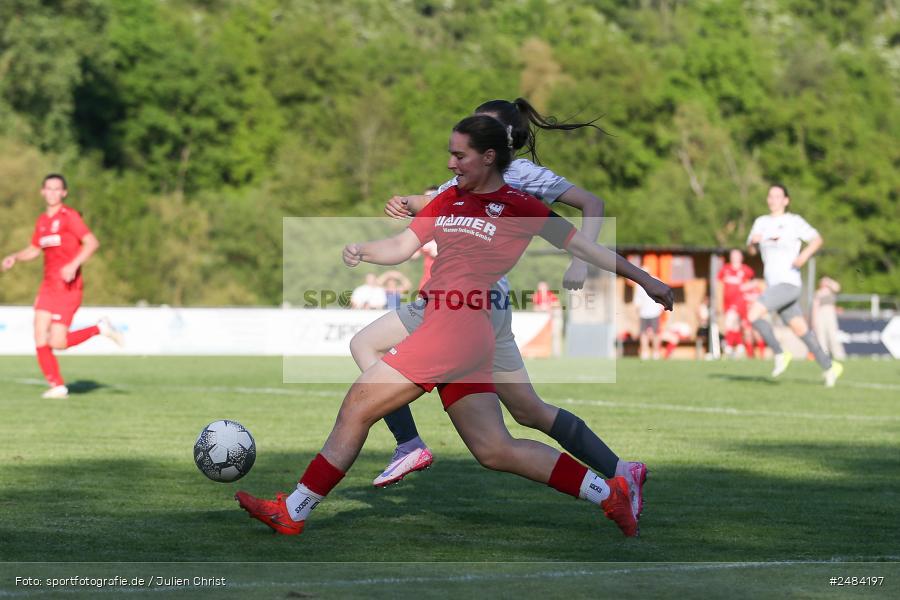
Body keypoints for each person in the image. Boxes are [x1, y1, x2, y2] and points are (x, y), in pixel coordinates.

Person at [235, 115, 673, 539]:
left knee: (357, 407)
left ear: (488, 157)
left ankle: (294, 511)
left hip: (455, 330)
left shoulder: (522, 207)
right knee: (495, 449)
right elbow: (402, 245)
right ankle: (610, 495)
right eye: (450, 154)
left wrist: (646, 280)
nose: (450, 163)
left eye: (459, 155)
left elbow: (589, 249)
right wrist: (363, 249)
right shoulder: (448, 199)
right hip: (456, 330)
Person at [351, 99, 645, 515]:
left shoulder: (520, 173)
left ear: (501, 137)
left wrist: (580, 260)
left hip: (469, 303)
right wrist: (406, 202)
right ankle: (621, 471)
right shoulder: (473, 170)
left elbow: (591, 202)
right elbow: (437, 200)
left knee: (366, 344)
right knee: (528, 410)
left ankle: (409, 444)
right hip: (490, 303)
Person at [1, 174, 123, 399]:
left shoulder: (70, 217)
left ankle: (99, 328)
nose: (52, 192)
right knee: (39, 335)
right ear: (42, 192)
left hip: (68, 287)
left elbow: (91, 243)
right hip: (48, 286)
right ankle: (57, 386)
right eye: (49, 188)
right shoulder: (42, 221)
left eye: (57, 189)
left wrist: (73, 265)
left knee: (57, 342)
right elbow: (34, 249)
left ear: (64, 193)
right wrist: (15, 257)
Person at [747, 184, 843, 387]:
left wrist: (803, 257)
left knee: (753, 314)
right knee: (801, 329)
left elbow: (817, 239)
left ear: (786, 200)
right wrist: (753, 243)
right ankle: (829, 366)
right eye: (770, 196)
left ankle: (780, 353)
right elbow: (752, 252)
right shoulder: (761, 222)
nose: (773, 199)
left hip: (789, 283)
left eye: (777, 196)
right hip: (774, 285)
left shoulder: (793, 221)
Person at [717, 249, 755, 358]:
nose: (735, 257)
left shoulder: (746, 270)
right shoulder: (725, 269)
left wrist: (746, 288)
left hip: (740, 302)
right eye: (733, 255)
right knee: (735, 326)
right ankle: (739, 347)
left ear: (741, 257)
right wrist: (718, 302)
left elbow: (754, 282)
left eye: (737, 255)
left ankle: (729, 348)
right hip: (727, 302)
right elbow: (719, 284)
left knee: (734, 322)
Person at [812, 276, 846, 360]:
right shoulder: (818, 293)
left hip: (830, 313)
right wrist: (814, 321)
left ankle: (839, 355)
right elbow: (815, 307)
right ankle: (823, 356)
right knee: (821, 336)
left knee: (833, 335)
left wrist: (829, 281)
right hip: (821, 314)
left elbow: (837, 287)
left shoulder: (831, 291)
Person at [633, 269, 663, 360]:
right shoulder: (638, 284)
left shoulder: (656, 280)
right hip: (643, 313)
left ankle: (656, 352)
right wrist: (638, 311)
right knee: (643, 334)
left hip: (654, 312)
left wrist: (661, 306)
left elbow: (661, 295)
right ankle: (644, 352)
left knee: (655, 333)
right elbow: (637, 300)